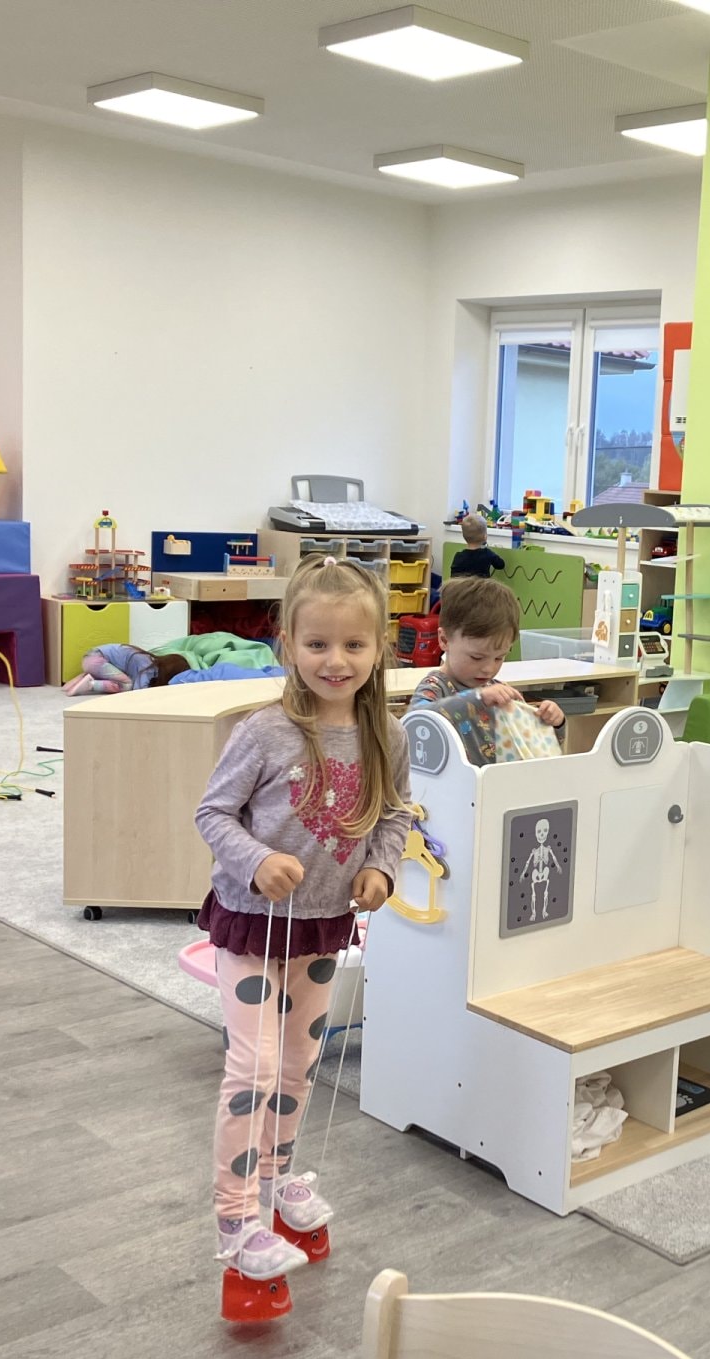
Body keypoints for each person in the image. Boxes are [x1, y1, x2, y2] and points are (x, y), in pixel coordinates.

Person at [194, 555, 411, 1284]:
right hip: (252, 921)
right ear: (287, 644)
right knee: (253, 1066)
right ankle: (235, 1220)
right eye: (317, 643)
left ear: (379, 647)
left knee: (297, 1064)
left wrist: (382, 867)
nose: (335, 661)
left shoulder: (387, 735)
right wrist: (255, 859)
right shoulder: (264, 732)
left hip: (322, 925)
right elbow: (213, 813)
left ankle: (280, 1175)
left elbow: (395, 814)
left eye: (353, 644)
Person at [406, 577, 564, 766]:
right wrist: (477, 698)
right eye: (477, 657)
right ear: (445, 640)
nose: (489, 669)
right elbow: (415, 721)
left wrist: (553, 723)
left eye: (499, 658)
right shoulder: (436, 686)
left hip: (495, 782)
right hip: (455, 783)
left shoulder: (499, 692)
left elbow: (532, 749)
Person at [63, 643, 191, 695]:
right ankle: (91, 684)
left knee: (122, 680)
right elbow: (138, 690)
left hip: (91, 659)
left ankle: (84, 678)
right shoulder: (148, 666)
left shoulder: (148, 660)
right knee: (128, 685)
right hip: (96, 660)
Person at [449, 513, 506, 579]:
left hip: (463, 586)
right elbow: (501, 565)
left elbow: (453, 577)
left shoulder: (458, 556)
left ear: (464, 536)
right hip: (482, 586)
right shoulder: (487, 553)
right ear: (485, 536)